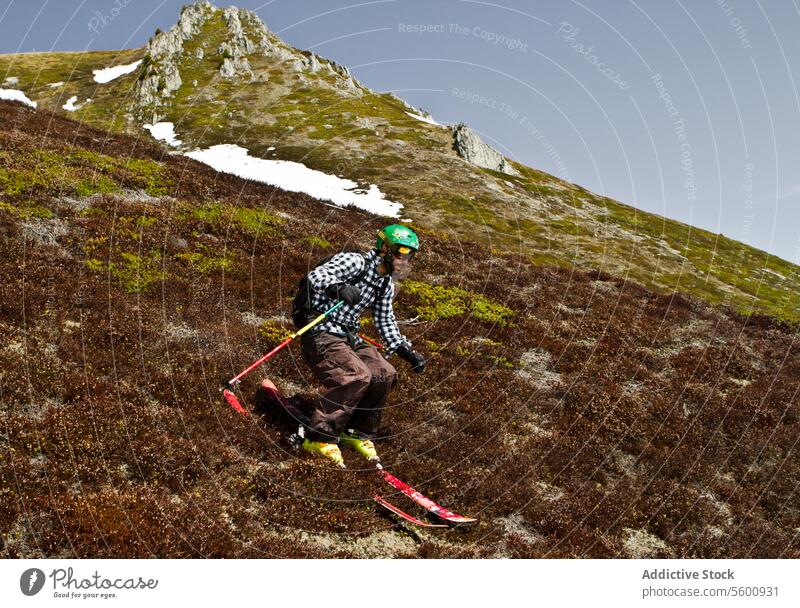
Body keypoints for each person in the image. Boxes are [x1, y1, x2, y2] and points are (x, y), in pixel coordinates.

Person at [299, 224, 426, 467]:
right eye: (400, 252)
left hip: (348, 336)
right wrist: (337, 287)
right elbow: (316, 275)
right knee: (356, 376)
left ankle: (356, 432)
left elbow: (385, 319)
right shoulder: (355, 262)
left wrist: (405, 351)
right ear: (385, 249)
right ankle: (319, 437)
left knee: (383, 373)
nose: (405, 260)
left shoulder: (384, 283)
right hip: (321, 330)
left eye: (410, 254)